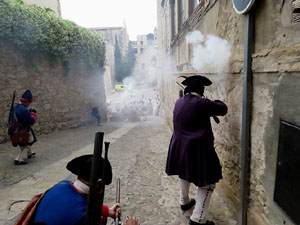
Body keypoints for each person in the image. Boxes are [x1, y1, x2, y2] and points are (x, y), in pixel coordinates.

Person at [165, 75, 228, 225]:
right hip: (198, 148)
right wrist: (213, 102)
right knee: (208, 184)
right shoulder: (203, 103)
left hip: (179, 146)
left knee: (184, 173)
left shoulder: (179, 102)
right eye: (203, 88)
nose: (204, 90)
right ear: (200, 89)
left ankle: (184, 201)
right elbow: (223, 108)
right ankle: (197, 219)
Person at [29, 154, 140, 225]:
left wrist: (107, 211)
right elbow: (79, 212)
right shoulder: (82, 218)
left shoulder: (62, 185)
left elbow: (79, 206)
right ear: (98, 185)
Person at [8, 90, 37, 165]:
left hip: (13, 128)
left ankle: (29, 153)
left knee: (31, 139)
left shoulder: (14, 106)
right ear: (27, 101)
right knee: (26, 142)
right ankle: (18, 159)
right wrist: (33, 114)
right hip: (20, 131)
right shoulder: (24, 110)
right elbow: (31, 121)